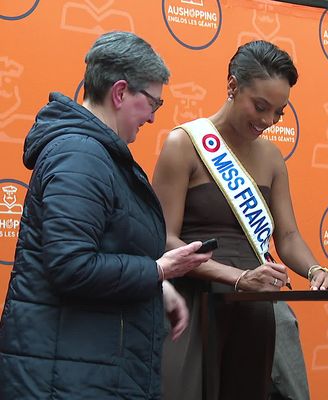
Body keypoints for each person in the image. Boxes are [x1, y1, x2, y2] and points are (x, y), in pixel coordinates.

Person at [0, 31, 213, 399]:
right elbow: (72, 265)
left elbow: (104, 247)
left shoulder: (95, 153)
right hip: (67, 379)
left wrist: (156, 286)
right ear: (120, 93)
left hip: (83, 369)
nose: (151, 118)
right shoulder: (80, 156)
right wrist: (159, 269)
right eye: (153, 104)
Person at [153, 40, 328, 400]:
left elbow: (286, 237)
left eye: (279, 113)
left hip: (254, 304)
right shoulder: (184, 144)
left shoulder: (271, 158)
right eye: (260, 107)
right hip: (195, 302)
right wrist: (237, 277)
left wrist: (316, 269)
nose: (268, 121)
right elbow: (164, 239)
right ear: (232, 86)